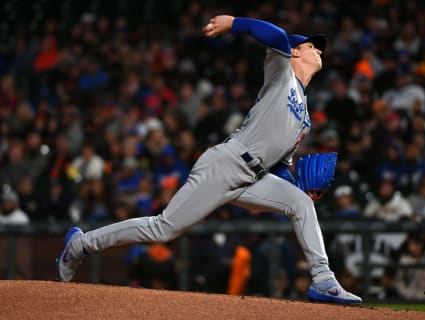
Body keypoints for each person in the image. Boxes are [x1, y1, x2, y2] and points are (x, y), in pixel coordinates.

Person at [56, 15, 362, 304]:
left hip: (252, 176)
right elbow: (277, 36)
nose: (319, 50)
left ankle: (323, 279)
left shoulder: (305, 117)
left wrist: (297, 186)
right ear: (295, 52)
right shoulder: (282, 75)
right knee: (162, 229)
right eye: (312, 45)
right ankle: (81, 244)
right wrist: (234, 23)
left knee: (301, 204)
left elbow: (279, 165)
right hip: (227, 163)